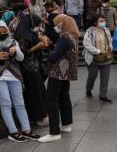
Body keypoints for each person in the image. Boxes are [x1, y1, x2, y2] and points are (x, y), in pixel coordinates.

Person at [0, 21, 40, 142]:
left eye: (4, 32)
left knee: (20, 104)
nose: (2, 34)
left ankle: (27, 130)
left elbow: (21, 58)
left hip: (14, 76)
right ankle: (13, 132)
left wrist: (16, 50)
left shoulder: (13, 42)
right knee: (6, 104)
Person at [38, 14, 79, 143]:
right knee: (64, 97)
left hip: (58, 72)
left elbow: (53, 57)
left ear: (63, 24)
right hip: (66, 72)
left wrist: (46, 46)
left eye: (57, 24)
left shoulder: (64, 37)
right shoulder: (73, 37)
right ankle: (66, 125)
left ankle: (54, 132)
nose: (56, 27)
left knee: (51, 99)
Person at [14, 14, 50, 126]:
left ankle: (42, 116)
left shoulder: (29, 33)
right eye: (37, 24)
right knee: (35, 94)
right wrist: (38, 46)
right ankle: (39, 117)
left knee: (38, 92)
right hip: (28, 69)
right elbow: (23, 54)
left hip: (34, 67)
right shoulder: (22, 36)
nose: (39, 27)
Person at [83, 16, 113, 103]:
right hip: (93, 58)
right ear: (95, 22)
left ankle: (103, 95)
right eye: (101, 21)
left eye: (104, 20)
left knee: (105, 78)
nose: (103, 22)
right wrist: (98, 51)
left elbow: (110, 41)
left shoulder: (106, 30)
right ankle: (89, 89)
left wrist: (110, 47)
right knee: (92, 76)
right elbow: (86, 44)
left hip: (106, 57)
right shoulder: (89, 31)